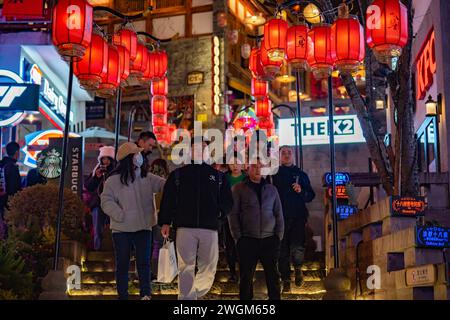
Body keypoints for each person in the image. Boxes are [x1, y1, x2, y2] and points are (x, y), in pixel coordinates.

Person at [159, 140, 233, 300]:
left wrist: (219, 214)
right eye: (195, 148)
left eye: (203, 148)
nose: (199, 151)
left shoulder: (218, 177)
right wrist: (165, 221)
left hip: (210, 227)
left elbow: (228, 200)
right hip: (184, 227)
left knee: (209, 267)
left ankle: (192, 294)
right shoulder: (178, 174)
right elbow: (168, 199)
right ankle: (187, 300)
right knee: (185, 266)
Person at [101, 142, 165, 300]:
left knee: (144, 263)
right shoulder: (113, 181)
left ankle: (146, 293)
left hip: (143, 226)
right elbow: (106, 201)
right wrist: (120, 215)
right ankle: (123, 295)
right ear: (128, 158)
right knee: (122, 264)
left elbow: (165, 185)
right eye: (136, 154)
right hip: (121, 229)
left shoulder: (147, 177)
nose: (139, 156)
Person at [228, 158, 284, 300]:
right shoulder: (239, 188)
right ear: (248, 168)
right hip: (247, 239)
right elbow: (233, 214)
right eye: (254, 166)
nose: (257, 169)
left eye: (260, 166)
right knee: (246, 278)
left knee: (273, 277)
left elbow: (278, 213)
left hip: (269, 239)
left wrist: (278, 236)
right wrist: (238, 237)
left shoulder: (272, 189)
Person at [271, 146, 315, 292]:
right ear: (279, 156)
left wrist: (301, 190)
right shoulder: (273, 174)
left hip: (298, 216)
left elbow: (311, 195)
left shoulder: (301, 175)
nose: (286, 155)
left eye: (289, 152)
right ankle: (285, 279)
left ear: (293, 156)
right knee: (281, 249)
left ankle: (297, 269)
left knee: (297, 246)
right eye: (283, 153)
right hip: (279, 217)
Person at [85, 146, 116, 251]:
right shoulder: (96, 170)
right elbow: (88, 186)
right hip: (98, 204)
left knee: (114, 228)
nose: (105, 161)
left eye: (108, 158)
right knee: (97, 229)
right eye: (103, 158)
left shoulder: (116, 171)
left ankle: (113, 250)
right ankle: (98, 249)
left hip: (113, 204)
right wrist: (96, 177)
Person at [223, 158, 246, 282]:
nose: (235, 166)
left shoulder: (247, 178)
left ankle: (244, 272)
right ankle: (232, 272)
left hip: (245, 217)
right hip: (228, 216)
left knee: (244, 245)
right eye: (232, 163)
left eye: (237, 162)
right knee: (230, 245)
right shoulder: (224, 178)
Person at [149, 158, 170, 280]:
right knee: (158, 246)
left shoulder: (147, 179)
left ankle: (149, 272)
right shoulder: (166, 181)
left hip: (147, 217)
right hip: (161, 217)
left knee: (147, 246)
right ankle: (158, 271)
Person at [0, 142, 22, 238]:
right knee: (8, 229)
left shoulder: (2, 165)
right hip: (8, 203)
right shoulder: (12, 167)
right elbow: (13, 189)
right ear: (16, 152)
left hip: (1, 201)